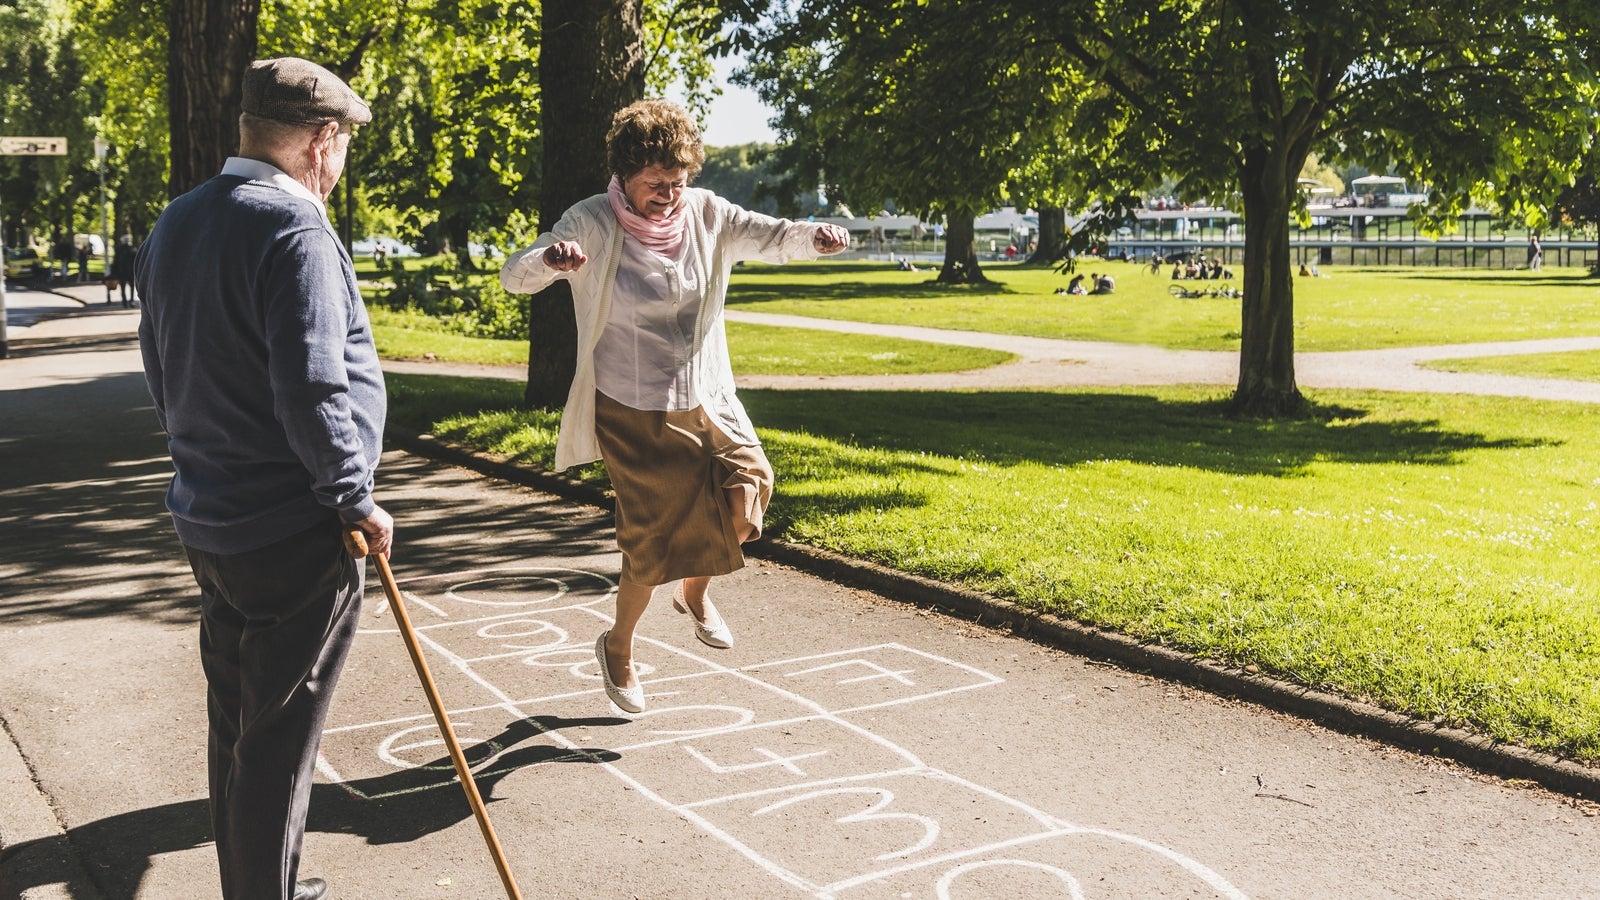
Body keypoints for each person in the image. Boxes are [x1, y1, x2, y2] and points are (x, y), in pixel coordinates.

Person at [499, 98, 849, 715]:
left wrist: (814, 238)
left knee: (750, 492)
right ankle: (618, 645)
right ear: (625, 176)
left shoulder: (707, 213)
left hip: (706, 392)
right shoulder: (592, 222)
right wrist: (551, 262)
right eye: (655, 184)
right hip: (631, 406)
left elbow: (772, 235)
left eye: (679, 181)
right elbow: (515, 274)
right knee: (651, 542)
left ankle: (694, 591)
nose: (669, 195)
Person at [134, 57, 387, 900]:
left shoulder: (179, 219)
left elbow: (160, 364)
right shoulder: (297, 231)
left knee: (236, 725)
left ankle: (256, 883)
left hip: (210, 514)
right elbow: (314, 387)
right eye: (344, 140)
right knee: (279, 743)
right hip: (294, 526)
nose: (342, 156)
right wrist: (352, 495)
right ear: (320, 140)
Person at [112, 234, 138, 307]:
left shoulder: (118, 249)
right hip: (130, 271)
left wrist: (114, 272)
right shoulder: (133, 249)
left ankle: (124, 302)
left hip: (121, 271)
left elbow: (115, 261)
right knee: (132, 286)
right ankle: (131, 301)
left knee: (123, 287)